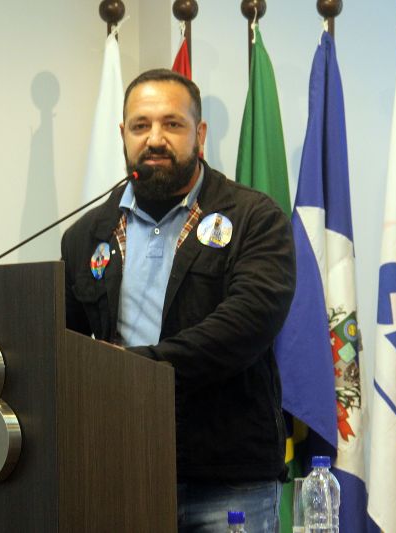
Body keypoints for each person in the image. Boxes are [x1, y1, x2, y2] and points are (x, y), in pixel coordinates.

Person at [60, 69, 295, 532]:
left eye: (172, 124)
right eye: (140, 125)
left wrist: (134, 367)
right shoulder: (84, 235)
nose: (155, 139)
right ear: (123, 135)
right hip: (122, 471)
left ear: (199, 134)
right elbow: (68, 347)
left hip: (228, 478)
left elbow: (244, 328)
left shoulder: (255, 219)